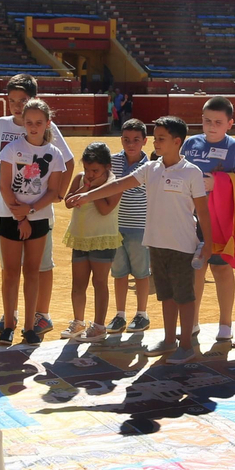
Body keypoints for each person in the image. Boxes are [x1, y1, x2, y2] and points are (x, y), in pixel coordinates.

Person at [67, 116, 210, 360]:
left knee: (184, 297)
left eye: (161, 138)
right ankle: (168, 341)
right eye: (155, 138)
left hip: (183, 244)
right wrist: (88, 196)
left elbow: (203, 211)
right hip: (156, 242)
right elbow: (120, 184)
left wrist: (208, 245)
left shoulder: (192, 173)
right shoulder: (150, 168)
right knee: (166, 294)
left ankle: (185, 345)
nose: (156, 142)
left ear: (177, 142)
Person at [0, 74, 72, 341]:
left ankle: (37, 316)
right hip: (9, 209)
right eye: (13, 101)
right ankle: (10, 318)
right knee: (10, 269)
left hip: (37, 211)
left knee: (38, 268)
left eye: (23, 101)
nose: (18, 106)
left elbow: (65, 165)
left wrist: (55, 197)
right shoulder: (5, 132)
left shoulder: (50, 136)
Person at [183, 96, 235, 342]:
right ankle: (191, 321)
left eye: (218, 122)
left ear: (229, 124)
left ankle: (226, 323)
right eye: (207, 121)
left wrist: (219, 182)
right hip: (190, 219)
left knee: (222, 269)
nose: (212, 126)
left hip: (221, 221)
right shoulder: (190, 143)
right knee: (195, 270)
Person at [61, 143, 123, 342]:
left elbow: (105, 209)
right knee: (78, 284)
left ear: (107, 166)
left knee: (99, 283)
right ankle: (78, 322)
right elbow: (69, 202)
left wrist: (93, 190)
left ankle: (98, 326)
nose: (90, 173)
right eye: (87, 169)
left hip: (103, 239)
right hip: (80, 238)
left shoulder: (115, 183)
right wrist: (86, 185)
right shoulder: (80, 178)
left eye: (95, 170)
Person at [108, 118, 153, 334]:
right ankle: (120, 315)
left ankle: (142, 314)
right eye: (126, 140)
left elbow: (125, 190)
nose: (131, 144)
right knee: (119, 273)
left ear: (145, 141)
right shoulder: (112, 161)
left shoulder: (151, 166)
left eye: (136, 140)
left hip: (139, 226)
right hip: (115, 226)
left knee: (141, 273)